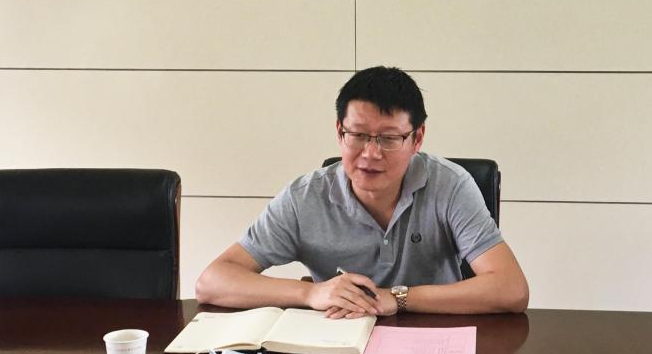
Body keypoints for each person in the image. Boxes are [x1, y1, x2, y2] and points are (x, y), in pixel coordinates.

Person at [196, 66, 529, 317]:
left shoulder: (450, 186)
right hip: (338, 344)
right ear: (339, 132)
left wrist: (397, 298)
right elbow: (212, 282)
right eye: (357, 135)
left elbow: (511, 288)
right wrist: (310, 294)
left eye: (389, 138)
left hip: (432, 339)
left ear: (417, 138)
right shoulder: (305, 197)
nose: (371, 154)